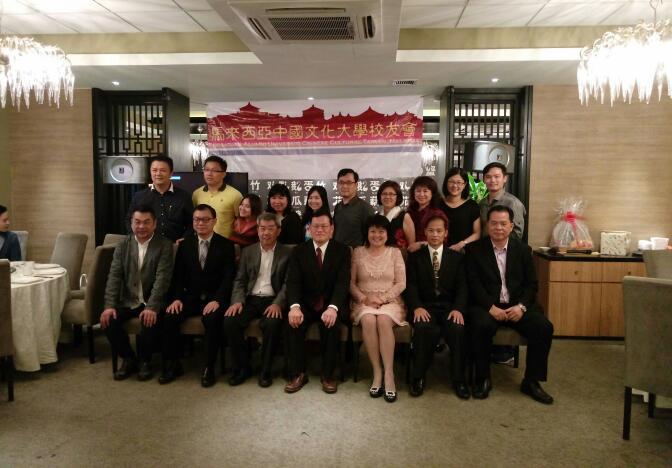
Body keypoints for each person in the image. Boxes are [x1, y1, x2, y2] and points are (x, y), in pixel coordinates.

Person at [466, 205, 554, 404]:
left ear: (511, 226)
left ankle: (531, 381)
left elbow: (532, 284)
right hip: (488, 305)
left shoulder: (523, 250)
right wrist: (491, 307)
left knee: (543, 327)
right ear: (487, 225)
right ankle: (482, 379)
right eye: (494, 223)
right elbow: (473, 283)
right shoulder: (474, 250)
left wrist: (521, 307)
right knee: (480, 325)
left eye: (503, 224)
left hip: (516, 306)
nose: (498, 228)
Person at [163, 204, 236, 387]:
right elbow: (178, 276)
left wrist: (218, 300)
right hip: (190, 298)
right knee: (170, 316)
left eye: (205, 219)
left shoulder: (226, 245)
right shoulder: (185, 245)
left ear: (214, 221)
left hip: (215, 298)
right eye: (197, 219)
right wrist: (177, 298)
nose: (200, 223)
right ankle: (173, 363)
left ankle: (208, 367)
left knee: (211, 320)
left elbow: (229, 278)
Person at [100, 205, 174, 381]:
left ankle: (145, 362)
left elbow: (162, 280)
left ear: (155, 224)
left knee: (149, 320)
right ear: (131, 223)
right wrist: (109, 306)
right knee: (108, 320)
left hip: (152, 300)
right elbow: (114, 277)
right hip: (128, 300)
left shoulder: (164, 245)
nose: (141, 226)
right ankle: (128, 358)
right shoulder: (123, 245)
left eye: (147, 222)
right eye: (137, 222)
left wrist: (152, 307)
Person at [284, 209, 351, 394]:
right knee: (293, 323)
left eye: (324, 226)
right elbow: (293, 282)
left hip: (330, 303)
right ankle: (297, 373)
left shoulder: (342, 251)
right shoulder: (299, 251)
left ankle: (328, 375)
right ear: (309, 229)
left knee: (332, 324)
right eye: (315, 226)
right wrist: (294, 307)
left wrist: (333, 307)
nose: (319, 230)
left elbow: (342, 283)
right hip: (305, 303)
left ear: (332, 229)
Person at [223, 213, 293, 388]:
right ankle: (242, 367)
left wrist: (278, 303)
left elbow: (288, 283)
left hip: (273, 299)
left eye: (270, 228)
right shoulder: (248, 251)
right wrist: (237, 301)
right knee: (230, 321)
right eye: (262, 228)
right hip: (250, 298)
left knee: (272, 324)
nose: (266, 233)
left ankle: (265, 370)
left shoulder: (288, 252)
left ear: (278, 231)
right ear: (257, 230)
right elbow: (239, 280)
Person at [405, 212, 470, 399]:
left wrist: (458, 308)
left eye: (439, 231)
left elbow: (463, 287)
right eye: (431, 230)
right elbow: (411, 286)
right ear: (425, 232)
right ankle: (418, 377)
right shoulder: (416, 257)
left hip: (450, 306)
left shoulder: (456, 257)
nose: (435, 234)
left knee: (458, 329)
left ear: (446, 233)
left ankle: (459, 379)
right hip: (425, 306)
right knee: (424, 328)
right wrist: (416, 306)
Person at [350, 215, 407, 403]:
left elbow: (401, 283)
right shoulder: (357, 252)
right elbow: (350, 283)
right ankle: (377, 372)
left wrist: (382, 299)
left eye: (381, 231)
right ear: (366, 233)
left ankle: (389, 374)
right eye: (372, 231)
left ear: (387, 233)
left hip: (390, 302)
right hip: (364, 301)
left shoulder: (394, 253)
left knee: (382, 319)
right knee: (368, 319)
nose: (377, 235)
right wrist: (365, 298)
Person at [126, 155, 193, 242]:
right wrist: (136, 237)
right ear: (150, 172)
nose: (158, 174)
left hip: (176, 248)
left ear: (171, 173)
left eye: (163, 170)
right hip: (147, 247)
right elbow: (129, 220)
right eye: (154, 170)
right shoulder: (139, 196)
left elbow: (192, 222)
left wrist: (185, 239)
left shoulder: (184, 196)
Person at [192, 155, 243, 239]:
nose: (209, 173)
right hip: (201, 243)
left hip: (225, 244)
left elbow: (241, 222)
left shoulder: (235, 195)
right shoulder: (196, 194)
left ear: (223, 174)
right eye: (206, 170)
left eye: (214, 170)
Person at [479, 162, 526, 240]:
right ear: (484, 179)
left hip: (504, 250)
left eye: (497, 176)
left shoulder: (513, 203)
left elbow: (517, 234)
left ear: (504, 179)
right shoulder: (482, 203)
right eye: (488, 177)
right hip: (483, 249)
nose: (492, 180)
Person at [440, 168, 481, 252]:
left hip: (465, 252)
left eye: (459, 182)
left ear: (465, 184)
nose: (455, 185)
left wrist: (462, 243)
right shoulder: (438, 203)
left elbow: (477, 233)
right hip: (440, 252)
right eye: (451, 182)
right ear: (446, 183)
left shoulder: (472, 205)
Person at [333, 168, 375, 248]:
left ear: (356, 185)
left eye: (349, 183)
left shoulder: (365, 208)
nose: (344, 186)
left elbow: (371, 236)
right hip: (337, 255)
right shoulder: (338, 207)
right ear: (337, 185)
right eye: (341, 182)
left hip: (356, 256)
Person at [406, 176, 445, 253]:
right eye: (418, 191)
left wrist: (421, 244)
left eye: (425, 191)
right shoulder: (410, 212)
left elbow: (443, 241)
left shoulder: (437, 214)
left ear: (432, 193)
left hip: (429, 255)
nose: (421, 194)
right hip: (409, 254)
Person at [376, 180, 414, 251]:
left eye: (391, 194)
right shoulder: (376, 217)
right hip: (378, 259)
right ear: (380, 196)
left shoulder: (404, 216)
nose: (387, 197)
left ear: (397, 197)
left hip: (400, 259)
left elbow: (412, 245)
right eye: (384, 194)